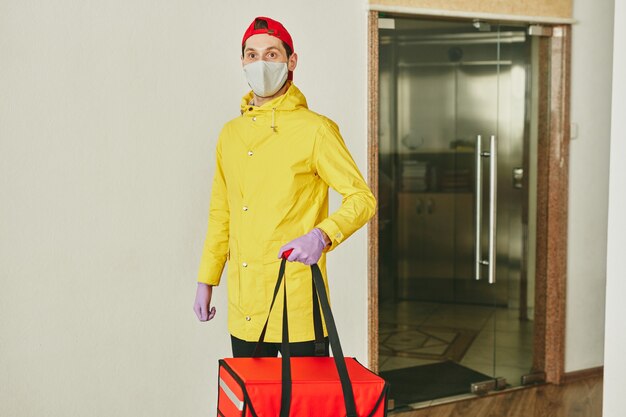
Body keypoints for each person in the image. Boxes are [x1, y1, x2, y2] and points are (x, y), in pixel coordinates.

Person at [193, 16, 376, 358]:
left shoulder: (315, 130)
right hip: (245, 305)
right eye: (252, 54)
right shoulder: (230, 134)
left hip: (298, 304)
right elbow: (222, 213)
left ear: (291, 62)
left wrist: (321, 236)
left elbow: (361, 198)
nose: (261, 62)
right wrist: (207, 279)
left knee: (303, 408)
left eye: (272, 54)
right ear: (243, 62)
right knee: (254, 408)